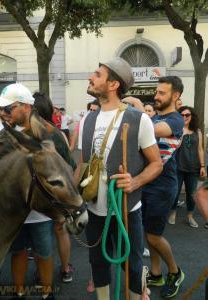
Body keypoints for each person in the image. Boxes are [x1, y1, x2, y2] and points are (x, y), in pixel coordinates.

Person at [77, 57, 163, 300]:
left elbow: (156, 164)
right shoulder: (87, 120)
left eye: (97, 74)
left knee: (133, 266)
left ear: (113, 84)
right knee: (98, 264)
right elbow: (84, 165)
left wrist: (135, 181)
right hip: (95, 209)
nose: (90, 77)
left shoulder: (139, 119)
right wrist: (73, 200)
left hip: (127, 209)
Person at [0, 83, 76, 300]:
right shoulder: (3, 135)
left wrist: (64, 205)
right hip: (15, 212)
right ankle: (19, 293)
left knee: (44, 253)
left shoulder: (52, 134)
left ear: (26, 107)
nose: (2, 112)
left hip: (42, 212)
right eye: (1, 108)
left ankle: (47, 293)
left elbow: (68, 170)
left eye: (8, 108)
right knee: (17, 252)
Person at [142, 76, 185, 299]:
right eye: (156, 92)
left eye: (162, 93)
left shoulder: (176, 120)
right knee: (150, 234)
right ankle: (156, 274)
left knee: (154, 236)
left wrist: (137, 107)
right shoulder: (157, 116)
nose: (156, 96)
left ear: (175, 96)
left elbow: (150, 130)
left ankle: (175, 272)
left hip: (163, 187)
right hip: (148, 184)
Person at [33, 91, 74, 283]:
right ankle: (65, 269)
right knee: (60, 230)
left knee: (41, 232)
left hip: (38, 193)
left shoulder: (32, 132)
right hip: (58, 191)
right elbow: (70, 166)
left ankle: (44, 271)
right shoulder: (56, 133)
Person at [168, 106, 206, 227]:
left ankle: (190, 216)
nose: (184, 117)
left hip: (193, 168)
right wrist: (181, 134)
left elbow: (200, 149)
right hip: (178, 166)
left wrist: (202, 166)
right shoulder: (176, 130)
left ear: (191, 116)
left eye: (187, 115)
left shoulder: (197, 131)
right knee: (175, 191)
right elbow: (174, 147)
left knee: (191, 193)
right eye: (182, 115)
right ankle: (172, 213)